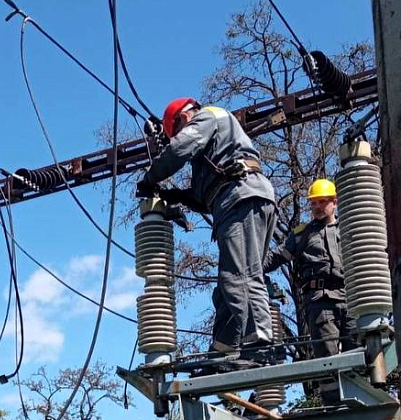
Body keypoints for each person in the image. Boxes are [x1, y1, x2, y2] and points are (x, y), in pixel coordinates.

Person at [137, 98, 277, 362]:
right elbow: (204, 197)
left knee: (241, 276)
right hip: (242, 198)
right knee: (229, 282)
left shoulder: (209, 117)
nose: (178, 136)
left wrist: (150, 178)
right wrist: (176, 195)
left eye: (176, 131)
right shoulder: (215, 151)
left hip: (240, 198)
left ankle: (259, 340)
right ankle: (223, 350)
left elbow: (179, 149)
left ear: (183, 118)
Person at [263, 179, 357, 405]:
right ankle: (335, 408)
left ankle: (363, 400)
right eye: (313, 203)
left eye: (322, 202)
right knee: (328, 359)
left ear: (335, 202)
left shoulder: (351, 228)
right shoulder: (301, 235)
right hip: (320, 302)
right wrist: (250, 266)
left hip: (352, 298)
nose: (316, 207)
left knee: (360, 353)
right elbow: (277, 257)